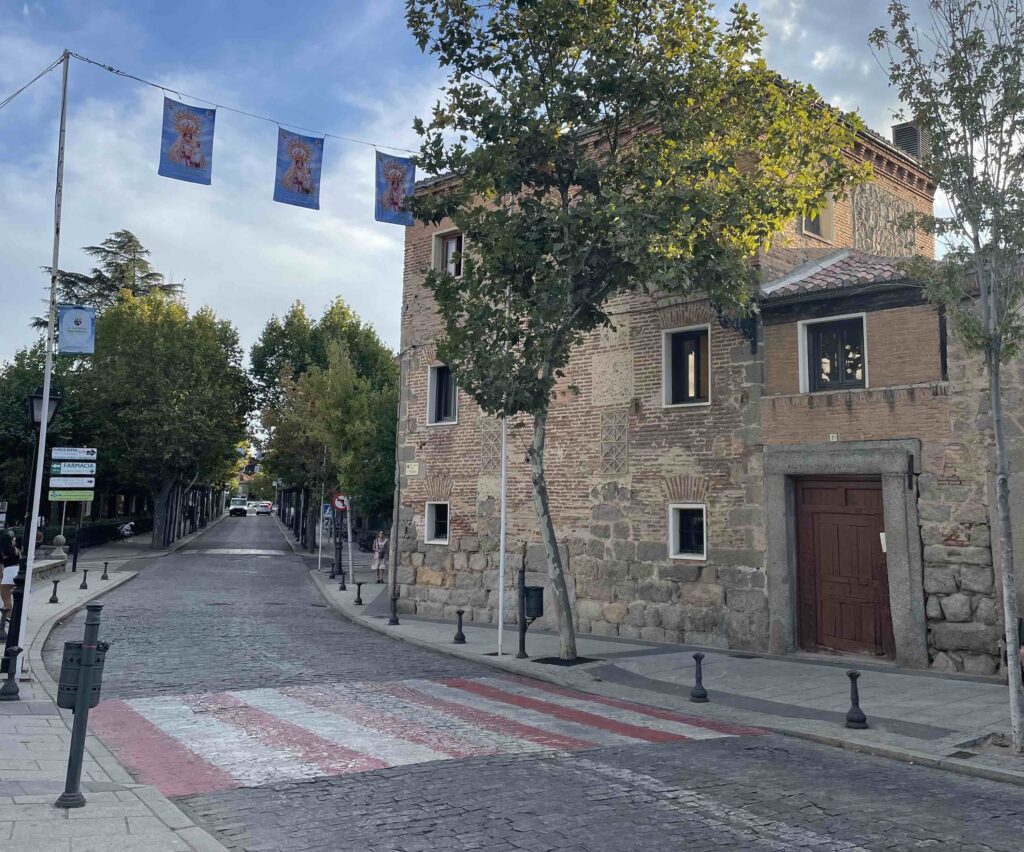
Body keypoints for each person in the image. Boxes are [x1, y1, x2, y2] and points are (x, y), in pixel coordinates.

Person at [1, 530, 21, 618]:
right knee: (20, 598)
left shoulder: (2, 553)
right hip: (19, 574)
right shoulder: (16, 550)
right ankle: (21, 615)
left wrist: (2, 579)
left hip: (8, 575)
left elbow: (0, 570)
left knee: (7, 599)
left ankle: (9, 618)